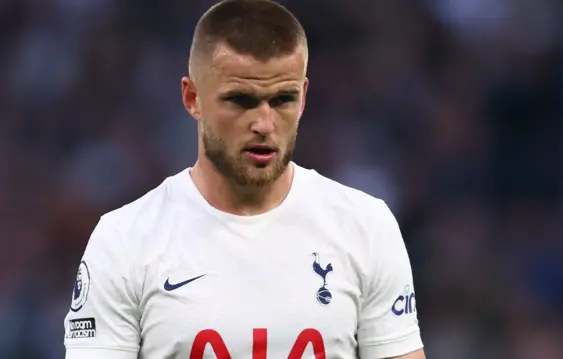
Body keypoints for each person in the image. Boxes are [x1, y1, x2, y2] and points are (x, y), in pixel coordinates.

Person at [62, 0, 425, 358]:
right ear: (193, 98)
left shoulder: (364, 227)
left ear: (303, 99)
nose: (264, 125)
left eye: (283, 99)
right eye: (240, 100)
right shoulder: (125, 241)